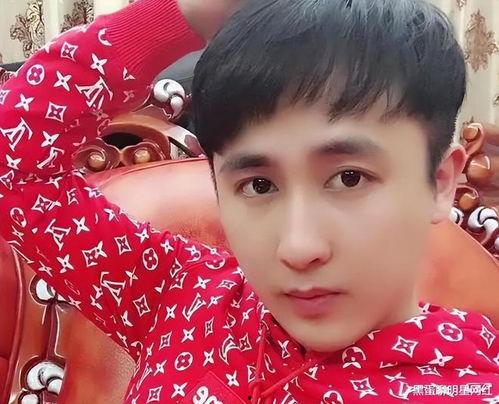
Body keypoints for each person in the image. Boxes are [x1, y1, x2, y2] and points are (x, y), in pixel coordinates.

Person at [0, 0, 498, 402]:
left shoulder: (467, 388)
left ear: (439, 182)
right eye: (259, 185)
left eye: (349, 178)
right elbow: (15, 167)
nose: (298, 248)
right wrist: (179, 15)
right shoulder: (181, 296)